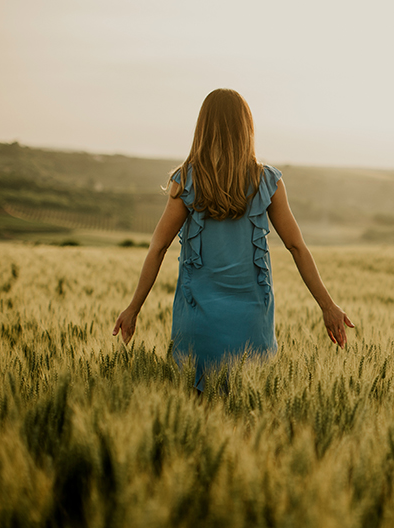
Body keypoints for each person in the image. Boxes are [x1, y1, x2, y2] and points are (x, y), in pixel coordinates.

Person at [113, 88, 352, 390]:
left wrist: (133, 308)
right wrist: (328, 306)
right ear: (246, 127)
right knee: (246, 399)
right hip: (250, 318)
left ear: (202, 127)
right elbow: (296, 247)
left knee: (196, 403)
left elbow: (158, 247)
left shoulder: (185, 180)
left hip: (199, 317)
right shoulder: (268, 181)